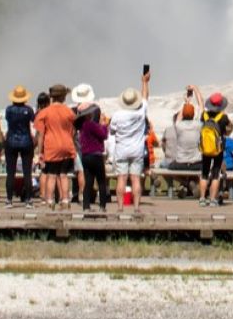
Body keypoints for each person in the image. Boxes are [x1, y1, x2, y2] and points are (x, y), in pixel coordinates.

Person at [108, 74, 151, 216]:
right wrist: (144, 82)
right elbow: (145, 97)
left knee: (121, 178)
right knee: (136, 179)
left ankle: (120, 207)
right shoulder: (140, 111)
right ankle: (137, 207)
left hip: (121, 150)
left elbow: (112, 131)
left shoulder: (117, 115)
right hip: (137, 150)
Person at [34, 85, 75, 208]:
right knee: (63, 174)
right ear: (63, 97)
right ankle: (65, 200)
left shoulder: (44, 112)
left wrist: (40, 152)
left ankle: (50, 200)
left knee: (51, 175)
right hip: (66, 145)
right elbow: (73, 131)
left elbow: (40, 134)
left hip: (51, 146)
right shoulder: (69, 111)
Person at [72, 84, 110, 215]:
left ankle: (86, 206)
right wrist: (105, 125)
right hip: (96, 155)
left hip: (86, 155)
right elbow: (103, 135)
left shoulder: (82, 127)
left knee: (88, 181)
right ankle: (103, 205)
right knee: (101, 181)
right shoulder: (91, 125)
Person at [191, 86, 232, 207]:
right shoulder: (223, 117)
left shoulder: (204, 115)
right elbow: (227, 131)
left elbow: (201, 106)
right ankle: (213, 199)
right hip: (217, 149)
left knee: (204, 173)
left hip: (205, 149)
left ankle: (202, 198)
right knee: (215, 174)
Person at [3, 87, 36, 206]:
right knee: (27, 172)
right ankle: (28, 200)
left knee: (10, 172)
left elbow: (8, 121)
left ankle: (9, 199)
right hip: (26, 141)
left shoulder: (9, 110)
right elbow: (34, 121)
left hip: (11, 141)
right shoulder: (29, 109)